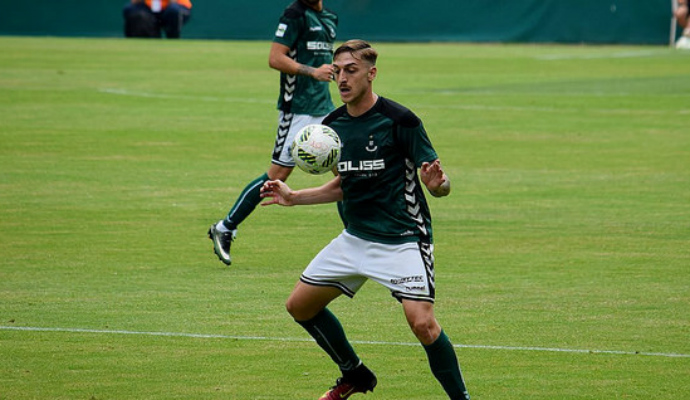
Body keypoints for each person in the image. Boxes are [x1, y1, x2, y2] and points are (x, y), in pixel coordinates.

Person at [260, 40, 471, 400]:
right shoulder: (332, 126)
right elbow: (345, 185)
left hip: (403, 238)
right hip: (355, 238)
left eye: (351, 70)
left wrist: (438, 185)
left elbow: (439, 183)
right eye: (338, 70)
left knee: (423, 323)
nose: (342, 78)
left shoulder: (400, 120)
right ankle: (354, 374)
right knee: (299, 306)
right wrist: (295, 198)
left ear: (371, 74)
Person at [208, 0, 338, 265]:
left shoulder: (329, 18)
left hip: (325, 107)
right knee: (277, 175)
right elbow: (275, 58)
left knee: (343, 169)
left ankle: (360, 232)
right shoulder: (294, 15)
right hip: (297, 111)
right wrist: (313, 72)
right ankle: (225, 227)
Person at [123, 0, 192, 39]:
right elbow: (134, 2)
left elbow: (173, 2)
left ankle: (173, 39)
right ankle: (150, 39)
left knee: (173, 12)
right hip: (151, 9)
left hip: (176, 8)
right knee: (132, 10)